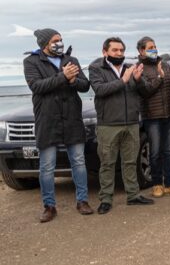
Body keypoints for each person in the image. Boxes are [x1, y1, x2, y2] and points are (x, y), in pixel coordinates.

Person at [23, 28, 93, 222]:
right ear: (45, 43)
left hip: (72, 118)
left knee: (78, 162)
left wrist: (72, 81)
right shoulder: (31, 61)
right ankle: (49, 206)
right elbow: (36, 86)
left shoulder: (71, 60)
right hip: (47, 120)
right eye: (56, 40)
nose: (60, 43)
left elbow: (85, 85)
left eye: (61, 39)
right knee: (47, 166)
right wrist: (63, 77)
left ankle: (83, 201)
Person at [89, 37, 155, 214]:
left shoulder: (130, 68)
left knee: (130, 162)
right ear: (105, 52)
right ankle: (106, 199)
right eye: (115, 50)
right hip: (108, 125)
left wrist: (138, 79)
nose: (119, 54)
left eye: (122, 51)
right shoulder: (96, 68)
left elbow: (146, 91)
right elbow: (100, 90)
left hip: (131, 123)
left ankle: (133, 196)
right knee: (107, 163)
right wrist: (123, 81)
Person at [136, 36, 170, 198]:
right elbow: (146, 91)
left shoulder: (163, 64)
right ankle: (157, 184)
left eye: (155, 46)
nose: (154, 49)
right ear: (141, 51)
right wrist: (160, 77)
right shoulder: (139, 68)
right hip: (152, 117)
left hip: (169, 114)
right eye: (150, 47)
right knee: (155, 152)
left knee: (169, 152)